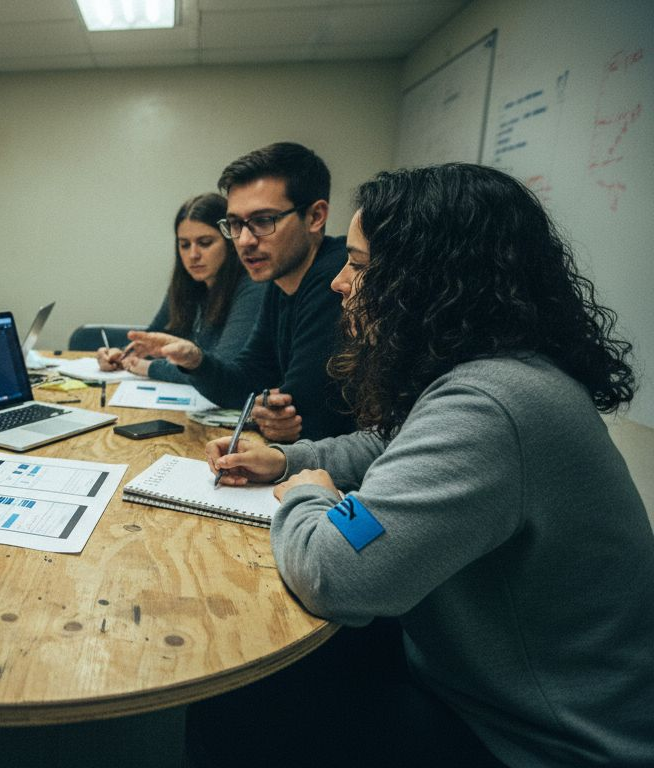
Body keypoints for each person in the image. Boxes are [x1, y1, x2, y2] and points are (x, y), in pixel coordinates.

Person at [196, 163, 654, 765]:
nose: (339, 283)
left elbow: (339, 572)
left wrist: (311, 494)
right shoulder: (502, 371)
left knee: (236, 705)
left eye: (358, 266)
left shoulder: (489, 407)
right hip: (483, 688)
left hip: (535, 740)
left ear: (427, 280)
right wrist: (286, 458)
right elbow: (389, 447)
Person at [126, 142, 355, 441]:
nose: (244, 240)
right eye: (235, 224)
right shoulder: (279, 278)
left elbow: (302, 413)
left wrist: (265, 407)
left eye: (262, 221)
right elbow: (245, 382)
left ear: (315, 217)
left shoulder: (335, 278)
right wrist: (196, 360)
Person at [96, 193, 263, 383]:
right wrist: (121, 355)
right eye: (184, 245)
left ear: (230, 242)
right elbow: (151, 339)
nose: (193, 255)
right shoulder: (186, 284)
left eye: (205, 243)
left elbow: (221, 369)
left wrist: (150, 367)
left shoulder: (252, 287)